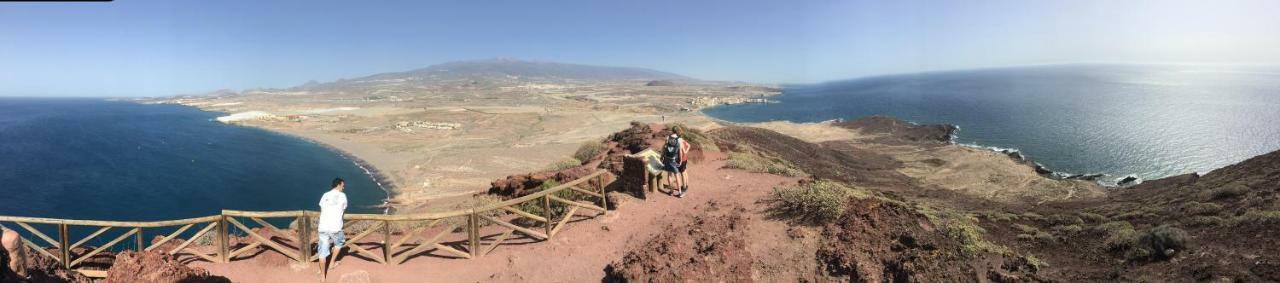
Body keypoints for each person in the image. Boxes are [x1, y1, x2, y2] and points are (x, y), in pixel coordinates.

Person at [317, 177, 347, 272]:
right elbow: (343, 209)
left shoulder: (325, 195)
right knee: (340, 243)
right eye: (343, 186)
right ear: (338, 185)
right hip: (336, 227)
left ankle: (322, 276)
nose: (343, 188)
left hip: (323, 227)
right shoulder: (342, 196)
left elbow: (322, 209)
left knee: (322, 252)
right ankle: (331, 263)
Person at [662, 133, 692, 198]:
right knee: (677, 176)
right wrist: (680, 160)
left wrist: (662, 157)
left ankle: (671, 191)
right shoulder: (678, 143)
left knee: (669, 175)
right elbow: (680, 152)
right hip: (674, 161)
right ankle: (680, 192)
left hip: (667, 160)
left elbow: (663, 149)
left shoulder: (667, 141)